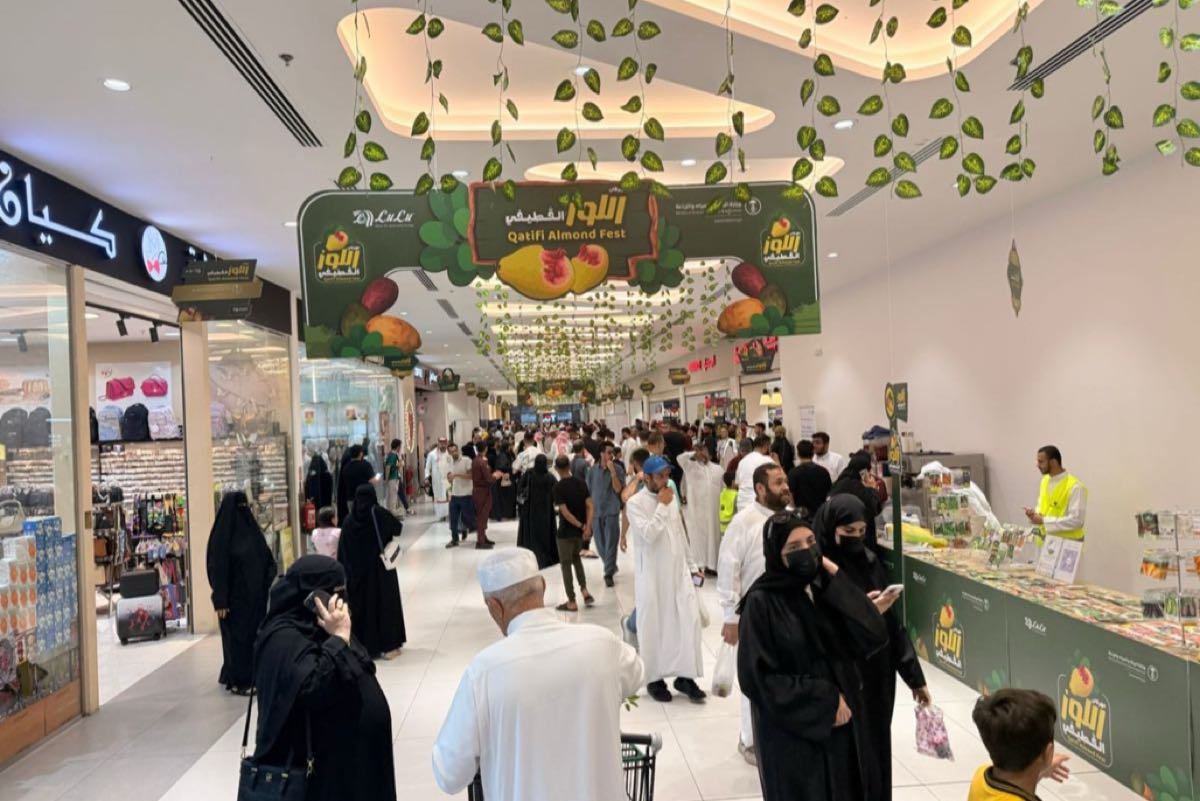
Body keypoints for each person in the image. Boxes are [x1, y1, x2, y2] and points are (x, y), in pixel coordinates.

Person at [433, 550, 644, 801]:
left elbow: (448, 773)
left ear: (494, 606)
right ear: (542, 587)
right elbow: (637, 673)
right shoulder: (602, 644)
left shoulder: (483, 673)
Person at [736, 511, 889, 801]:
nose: (806, 551)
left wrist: (837, 579)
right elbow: (757, 679)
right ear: (776, 555)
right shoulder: (761, 603)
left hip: (843, 730)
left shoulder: (823, 589)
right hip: (795, 739)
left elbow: (874, 634)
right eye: (794, 548)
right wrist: (824, 699)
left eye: (810, 542)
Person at [251, 556, 396, 801]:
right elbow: (313, 688)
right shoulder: (281, 639)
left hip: (351, 769)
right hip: (316, 775)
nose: (341, 600)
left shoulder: (325, 627)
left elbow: (362, 664)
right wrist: (338, 639)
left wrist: (339, 635)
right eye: (334, 593)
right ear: (313, 598)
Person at [814, 495, 931, 801]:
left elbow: (892, 625)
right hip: (843, 672)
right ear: (830, 528)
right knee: (849, 752)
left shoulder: (869, 561)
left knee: (876, 745)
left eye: (861, 531)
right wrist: (863, 611)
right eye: (848, 532)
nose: (855, 539)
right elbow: (821, 630)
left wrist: (914, 676)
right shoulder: (819, 573)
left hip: (878, 673)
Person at [717, 463, 792, 764]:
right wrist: (730, 617)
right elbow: (728, 569)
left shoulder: (790, 518)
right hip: (752, 614)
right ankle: (750, 740)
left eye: (785, 481)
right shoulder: (744, 522)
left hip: (787, 611)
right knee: (755, 678)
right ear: (760, 489)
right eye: (778, 483)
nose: (785, 487)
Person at [625, 455, 706, 703]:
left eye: (667, 475)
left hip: (679, 573)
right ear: (647, 478)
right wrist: (661, 505)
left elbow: (680, 534)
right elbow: (648, 534)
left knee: (687, 622)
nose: (665, 480)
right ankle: (654, 679)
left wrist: (693, 566)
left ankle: (685, 676)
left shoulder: (669, 499)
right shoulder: (635, 504)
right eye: (660, 476)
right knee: (655, 627)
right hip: (652, 576)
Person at [207, 491, 276, 695]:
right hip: (234, 600)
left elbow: (268, 560)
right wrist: (220, 599)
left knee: (252, 638)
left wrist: (265, 584)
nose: (243, 511)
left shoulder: (253, 533)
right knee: (237, 640)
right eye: (240, 507)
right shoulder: (222, 538)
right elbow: (218, 567)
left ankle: (243, 674)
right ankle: (240, 681)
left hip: (255, 600)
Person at [337, 485, 406, 658]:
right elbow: (398, 528)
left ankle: (365, 647)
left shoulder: (348, 521)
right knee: (385, 606)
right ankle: (389, 647)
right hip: (381, 572)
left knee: (362, 609)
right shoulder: (379, 514)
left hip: (358, 577)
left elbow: (342, 553)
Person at [969, 689, 1072, 801]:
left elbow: (1010, 791)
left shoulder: (980, 776)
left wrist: (1041, 770)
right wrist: (1043, 765)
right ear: (1048, 753)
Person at [552, 455, 593, 611]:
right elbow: (590, 505)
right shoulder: (581, 483)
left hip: (565, 533)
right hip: (579, 534)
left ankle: (571, 601)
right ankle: (585, 590)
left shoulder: (558, 487)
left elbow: (565, 512)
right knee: (577, 559)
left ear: (556, 469)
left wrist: (581, 526)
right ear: (569, 467)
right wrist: (587, 527)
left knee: (566, 565)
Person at [1023, 445, 1088, 542]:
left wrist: (1043, 520)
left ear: (1053, 462)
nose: (1037, 465)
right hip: (1046, 542)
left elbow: (1077, 521)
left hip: (1068, 543)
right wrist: (1034, 514)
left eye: (1041, 461)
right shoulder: (1045, 481)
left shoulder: (1076, 487)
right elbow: (1043, 507)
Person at [585, 441, 625, 587]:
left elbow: (618, 489)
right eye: (608, 452)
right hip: (596, 511)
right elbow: (588, 493)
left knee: (611, 543)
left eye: (612, 453)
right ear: (601, 453)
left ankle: (608, 573)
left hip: (611, 510)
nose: (611, 456)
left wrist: (613, 472)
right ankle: (611, 565)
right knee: (600, 544)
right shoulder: (592, 471)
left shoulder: (618, 469)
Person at [680, 446, 725, 575]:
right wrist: (693, 454)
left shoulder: (718, 469)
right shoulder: (690, 467)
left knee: (713, 539)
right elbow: (680, 459)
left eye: (705, 451)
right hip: (697, 512)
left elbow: (723, 488)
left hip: (714, 512)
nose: (703, 455)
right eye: (700, 452)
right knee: (698, 540)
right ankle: (698, 567)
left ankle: (712, 566)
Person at [829, 451, 884, 551]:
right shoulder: (858, 487)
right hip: (858, 539)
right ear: (864, 472)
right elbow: (874, 509)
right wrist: (872, 489)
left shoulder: (839, 483)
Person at [517, 454, 560, 569]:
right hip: (546, 512)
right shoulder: (550, 477)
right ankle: (544, 558)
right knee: (545, 535)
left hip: (530, 511)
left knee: (530, 534)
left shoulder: (529, 474)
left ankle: (530, 558)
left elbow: (520, 489)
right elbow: (557, 491)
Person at [788, 439, 833, 517]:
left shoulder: (793, 473)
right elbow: (829, 494)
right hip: (820, 514)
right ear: (813, 453)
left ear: (798, 454)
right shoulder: (823, 471)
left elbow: (791, 497)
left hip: (801, 515)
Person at [466, 443, 498, 550]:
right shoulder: (482, 462)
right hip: (483, 491)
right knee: (482, 516)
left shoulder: (475, 460)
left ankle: (483, 537)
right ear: (486, 449)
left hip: (478, 490)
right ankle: (481, 541)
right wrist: (495, 476)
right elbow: (488, 479)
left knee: (482, 515)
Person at [337, 445, 376, 524]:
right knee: (365, 519)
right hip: (364, 498)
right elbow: (373, 481)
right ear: (361, 453)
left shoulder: (346, 468)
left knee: (353, 519)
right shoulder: (365, 465)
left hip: (350, 498)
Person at [735, 434, 775, 512]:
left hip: (742, 503)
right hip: (757, 504)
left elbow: (737, 483)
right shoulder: (767, 460)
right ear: (766, 446)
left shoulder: (742, 461)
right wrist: (777, 462)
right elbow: (779, 479)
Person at [445, 443, 474, 548]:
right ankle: (454, 539)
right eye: (451, 452)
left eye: (455, 451)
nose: (453, 453)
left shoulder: (466, 460)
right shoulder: (450, 462)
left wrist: (457, 475)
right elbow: (449, 476)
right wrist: (449, 477)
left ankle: (475, 531)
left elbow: (471, 476)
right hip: (455, 494)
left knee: (468, 517)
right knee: (453, 518)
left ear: (458, 450)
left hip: (466, 494)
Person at [425, 437, 453, 520]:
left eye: (444, 443)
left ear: (446, 443)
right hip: (436, 479)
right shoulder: (432, 454)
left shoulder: (449, 453)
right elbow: (427, 467)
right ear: (438, 443)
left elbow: (452, 465)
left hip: (447, 479)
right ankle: (440, 515)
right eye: (441, 443)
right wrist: (427, 477)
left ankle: (448, 514)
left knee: (447, 495)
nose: (443, 445)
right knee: (438, 496)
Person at [491, 439, 516, 521]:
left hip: (503, 480)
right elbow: (502, 466)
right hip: (504, 480)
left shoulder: (503, 455)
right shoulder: (503, 456)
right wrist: (510, 468)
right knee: (505, 498)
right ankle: (505, 514)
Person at [383, 438, 408, 517]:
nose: (400, 448)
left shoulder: (395, 455)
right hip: (392, 479)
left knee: (393, 496)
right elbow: (388, 467)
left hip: (395, 478)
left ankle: (392, 513)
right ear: (397, 447)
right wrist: (387, 479)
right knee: (392, 497)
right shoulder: (392, 455)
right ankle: (392, 514)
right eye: (400, 446)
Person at [719, 471, 737, 535]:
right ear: (733, 482)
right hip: (732, 527)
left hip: (722, 527)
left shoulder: (722, 493)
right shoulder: (736, 495)